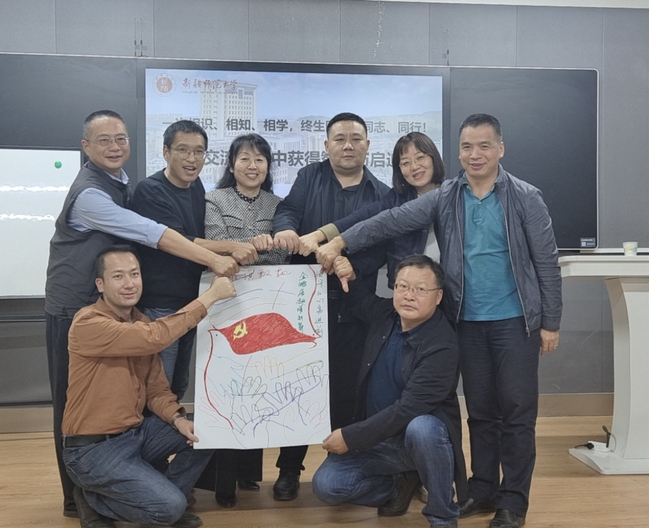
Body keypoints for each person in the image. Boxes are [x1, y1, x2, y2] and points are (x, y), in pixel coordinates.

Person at [315, 114, 562, 528]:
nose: (475, 154)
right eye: (467, 147)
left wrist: (550, 321)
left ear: (500, 149)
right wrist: (340, 241)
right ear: (458, 152)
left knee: (517, 414)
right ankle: (483, 489)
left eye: (484, 146)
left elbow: (547, 263)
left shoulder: (525, 197)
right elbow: (391, 220)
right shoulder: (447, 196)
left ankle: (513, 502)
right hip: (465, 319)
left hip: (516, 321)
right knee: (480, 412)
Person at [45, 110, 239, 517]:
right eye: (104, 140)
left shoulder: (119, 182)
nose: (115, 147)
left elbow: (157, 388)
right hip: (74, 307)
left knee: (155, 390)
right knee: (74, 405)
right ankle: (81, 500)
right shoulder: (92, 194)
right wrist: (215, 259)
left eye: (121, 139)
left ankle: (140, 487)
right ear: (86, 146)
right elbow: (153, 234)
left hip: (120, 310)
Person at [62, 245, 237, 528]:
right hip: (92, 449)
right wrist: (210, 296)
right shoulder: (88, 322)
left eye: (134, 274)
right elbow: (153, 337)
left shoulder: (141, 321)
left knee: (210, 429)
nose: (129, 283)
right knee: (170, 508)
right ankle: (94, 499)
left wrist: (179, 420)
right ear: (100, 284)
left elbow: (156, 391)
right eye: (118, 276)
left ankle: (159, 502)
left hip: (135, 435)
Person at [271, 112, 390, 501]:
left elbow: (381, 247)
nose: (348, 145)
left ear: (368, 145)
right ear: (326, 145)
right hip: (304, 305)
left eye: (356, 138)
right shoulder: (310, 176)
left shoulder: (382, 193)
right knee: (298, 387)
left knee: (345, 391)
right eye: (339, 139)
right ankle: (289, 469)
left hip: (354, 309)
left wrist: (351, 263)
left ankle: (342, 467)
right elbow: (288, 210)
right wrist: (285, 229)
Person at [312, 255, 466, 528]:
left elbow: (408, 409)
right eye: (402, 286)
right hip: (378, 441)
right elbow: (359, 300)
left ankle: (443, 516)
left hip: (415, 441)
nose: (409, 296)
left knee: (423, 427)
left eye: (420, 289)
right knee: (327, 486)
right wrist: (348, 274)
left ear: (439, 296)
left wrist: (350, 436)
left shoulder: (442, 344)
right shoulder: (386, 315)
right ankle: (399, 485)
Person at [130, 120, 257, 401]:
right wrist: (231, 247)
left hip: (193, 301)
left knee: (178, 385)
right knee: (158, 387)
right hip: (160, 306)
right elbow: (179, 241)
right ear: (165, 152)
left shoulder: (196, 186)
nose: (192, 159)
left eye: (199, 152)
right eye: (183, 150)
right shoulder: (150, 190)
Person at [200, 133, 289, 507]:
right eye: (245, 159)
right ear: (231, 164)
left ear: (268, 166)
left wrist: (249, 251)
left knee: (260, 386)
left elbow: (283, 256)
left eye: (260, 160)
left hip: (269, 304)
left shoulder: (280, 205)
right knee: (228, 386)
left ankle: (250, 472)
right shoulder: (214, 200)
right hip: (228, 303)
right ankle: (223, 481)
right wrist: (256, 246)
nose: (252, 166)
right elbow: (217, 246)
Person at [298, 131, 445, 288]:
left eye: (420, 157)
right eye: (405, 163)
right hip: (408, 292)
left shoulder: (452, 196)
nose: (414, 167)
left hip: (450, 289)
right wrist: (319, 235)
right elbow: (363, 218)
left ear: (434, 157)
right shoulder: (396, 199)